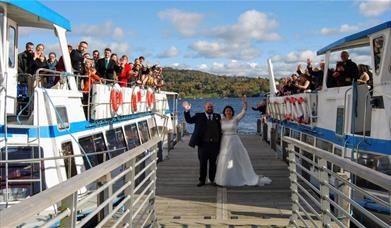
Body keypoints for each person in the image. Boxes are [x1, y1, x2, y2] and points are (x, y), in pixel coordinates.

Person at [215, 96, 272, 187]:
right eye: (226, 110)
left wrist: (245, 103)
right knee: (224, 158)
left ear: (232, 112)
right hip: (224, 141)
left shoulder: (235, 119)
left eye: (229, 110)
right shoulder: (221, 120)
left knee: (236, 158)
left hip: (234, 140)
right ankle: (223, 179)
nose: (228, 111)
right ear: (224, 112)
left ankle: (239, 177)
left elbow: (244, 111)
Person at [183, 101, 222, 187]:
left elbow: (220, 129)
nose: (210, 108)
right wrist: (187, 111)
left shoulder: (217, 116)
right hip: (203, 144)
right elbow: (189, 120)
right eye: (208, 107)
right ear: (205, 108)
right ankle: (202, 180)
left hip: (214, 144)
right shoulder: (199, 116)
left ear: (213, 108)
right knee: (203, 163)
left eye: (211, 107)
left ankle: (212, 180)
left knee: (213, 164)